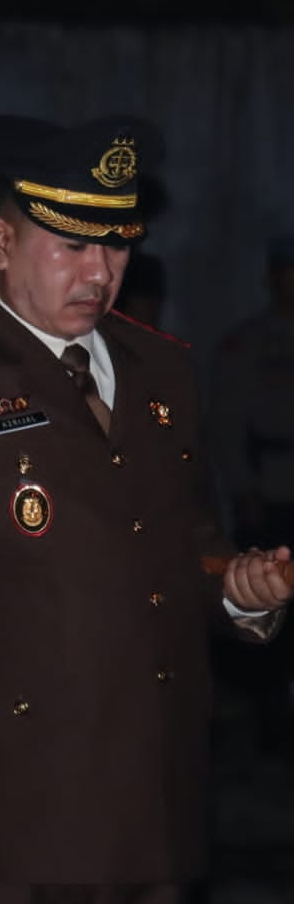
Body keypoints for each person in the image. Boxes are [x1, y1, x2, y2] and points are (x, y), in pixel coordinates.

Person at [0, 114, 292, 903]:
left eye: (116, 244)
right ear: (1, 244)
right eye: (72, 245)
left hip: (155, 799)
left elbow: (181, 538)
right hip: (8, 804)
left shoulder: (162, 367)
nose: (99, 272)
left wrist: (236, 590)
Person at [209, 234, 294, 752]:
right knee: (266, 605)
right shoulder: (249, 342)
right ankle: (270, 720)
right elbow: (226, 424)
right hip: (271, 492)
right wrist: (242, 489)